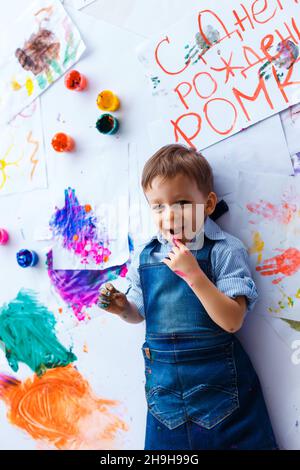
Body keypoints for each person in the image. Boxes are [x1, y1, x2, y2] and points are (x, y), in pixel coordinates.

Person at [98, 144, 279, 450]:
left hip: (221, 389)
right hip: (165, 392)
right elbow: (138, 315)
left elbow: (233, 320)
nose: (169, 216)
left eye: (181, 202)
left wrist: (194, 275)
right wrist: (121, 308)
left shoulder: (223, 249)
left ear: (208, 204)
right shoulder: (145, 255)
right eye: (157, 206)